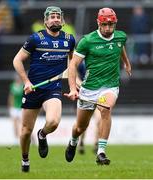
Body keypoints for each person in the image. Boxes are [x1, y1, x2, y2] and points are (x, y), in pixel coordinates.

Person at [64, 7, 131, 165]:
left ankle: (101, 152)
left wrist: (127, 63)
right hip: (89, 88)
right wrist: (73, 88)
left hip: (110, 85)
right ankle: (73, 141)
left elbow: (120, 47)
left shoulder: (121, 36)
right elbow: (73, 65)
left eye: (111, 25)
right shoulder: (87, 41)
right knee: (80, 127)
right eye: (105, 25)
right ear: (98, 23)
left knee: (106, 108)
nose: (108, 28)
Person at [13, 6, 75, 172]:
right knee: (26, 131)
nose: (55, 19)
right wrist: (25, 81)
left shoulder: (69, 39)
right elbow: (17, 60)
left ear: (61, 20)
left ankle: (42, 134)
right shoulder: (35, 38)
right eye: (52, 17)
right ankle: (25, 160)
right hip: (33, 88)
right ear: (46, 20)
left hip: (52, 88)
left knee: (53, 122)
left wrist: (74, 86)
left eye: (58, 16)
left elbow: (73, 65)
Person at [8, 74, 23, 143]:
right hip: (14, 107)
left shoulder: (23, 85)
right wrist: (10, 107)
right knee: (15, 124)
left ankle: (26, 138)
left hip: (21, 108)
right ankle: (16, 139)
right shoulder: (12, 86)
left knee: (23, 124)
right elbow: (11, 97)